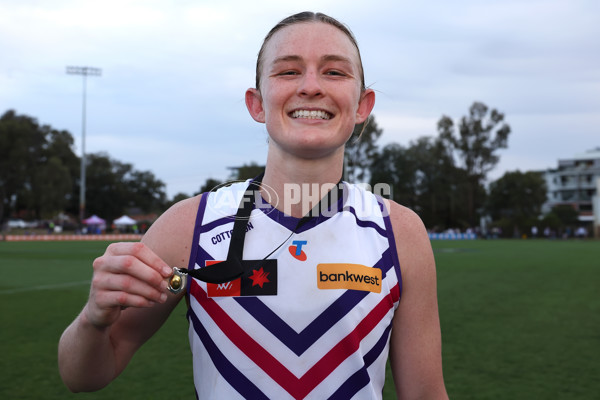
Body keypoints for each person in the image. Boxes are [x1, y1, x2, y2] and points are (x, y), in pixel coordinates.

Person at [58, 11, 448, 399]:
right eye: (288, 71)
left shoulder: (400, 232)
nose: (311, 86)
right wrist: (93, 319)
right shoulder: (188, 225)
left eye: (334, 72)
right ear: (257, 103)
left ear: (363, 105)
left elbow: (426, 394)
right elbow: (84, 375)